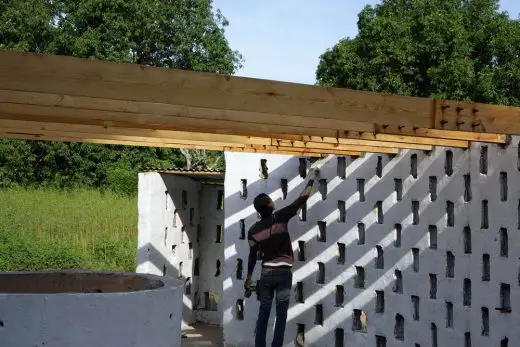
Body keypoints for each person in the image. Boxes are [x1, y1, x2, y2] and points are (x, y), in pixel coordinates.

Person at [245, 172, 317, 347]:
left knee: (264, 313)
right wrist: (312, 179)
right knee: (281, 314)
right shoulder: (280, 217)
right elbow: (301, 199)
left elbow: (252, 255)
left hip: (266, 273)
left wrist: (248, 276)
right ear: (270, 205)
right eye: (271, 200)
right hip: (284, 273)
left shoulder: (253, 231)